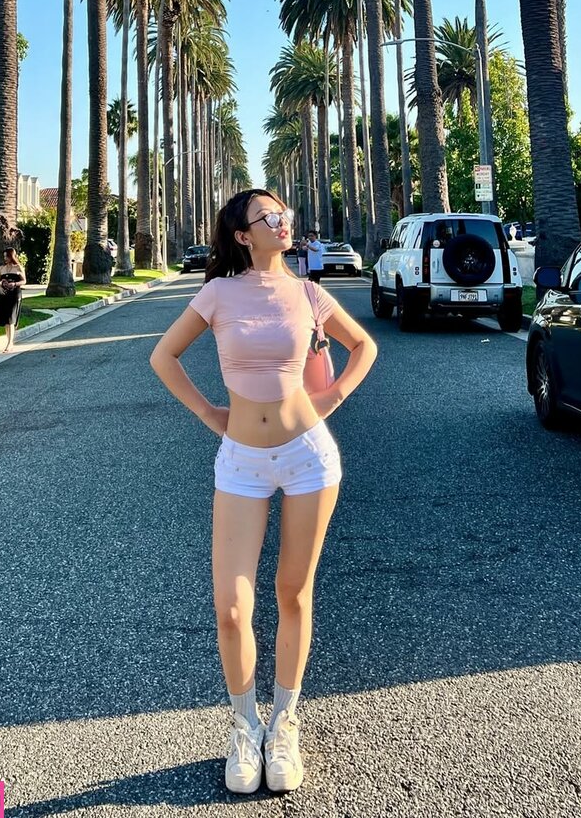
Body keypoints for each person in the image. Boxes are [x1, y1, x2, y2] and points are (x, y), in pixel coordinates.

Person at [149, 189, 377, 795]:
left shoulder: (308, 293)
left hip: (308, 456)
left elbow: (364, 346)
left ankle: (285, 723)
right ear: (243, 235)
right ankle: (244, 726)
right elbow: (164, 356)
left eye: (285, 214)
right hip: (242, 462)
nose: (283, 222)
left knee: (293, 592)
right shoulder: (218, 294)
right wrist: (209, 413)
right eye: (269, 217)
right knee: (231, 608)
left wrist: (332, 399)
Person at [0, 248, 26, 353]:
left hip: (14, 295)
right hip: (4, 295)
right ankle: (9, 341)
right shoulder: (2, 268)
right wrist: (0, 288)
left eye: (7, 256)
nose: (5, 258)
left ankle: (10, 344)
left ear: (11, 256)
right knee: (6, 321)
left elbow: (24, 281)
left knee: (11, 319)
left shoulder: (18, 267)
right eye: (4, 256)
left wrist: (15, 284)